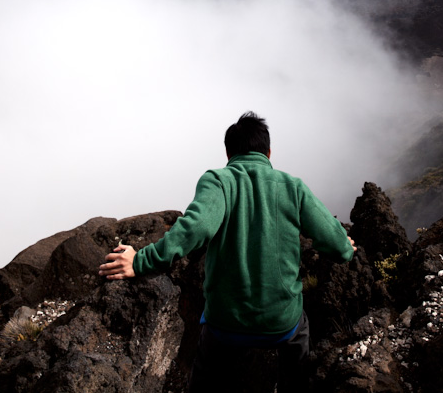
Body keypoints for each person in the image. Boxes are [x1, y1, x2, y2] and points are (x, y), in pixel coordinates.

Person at [98, 111, 356, 391]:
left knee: (206, 372)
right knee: (299, 342)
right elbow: (338, 246)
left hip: (225, 325)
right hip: (282, 324)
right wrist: (344, 243)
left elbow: (194, 228)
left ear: (228, 153)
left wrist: (139, 261)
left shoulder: (218, 181)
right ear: (269, 152)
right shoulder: (292, 187)